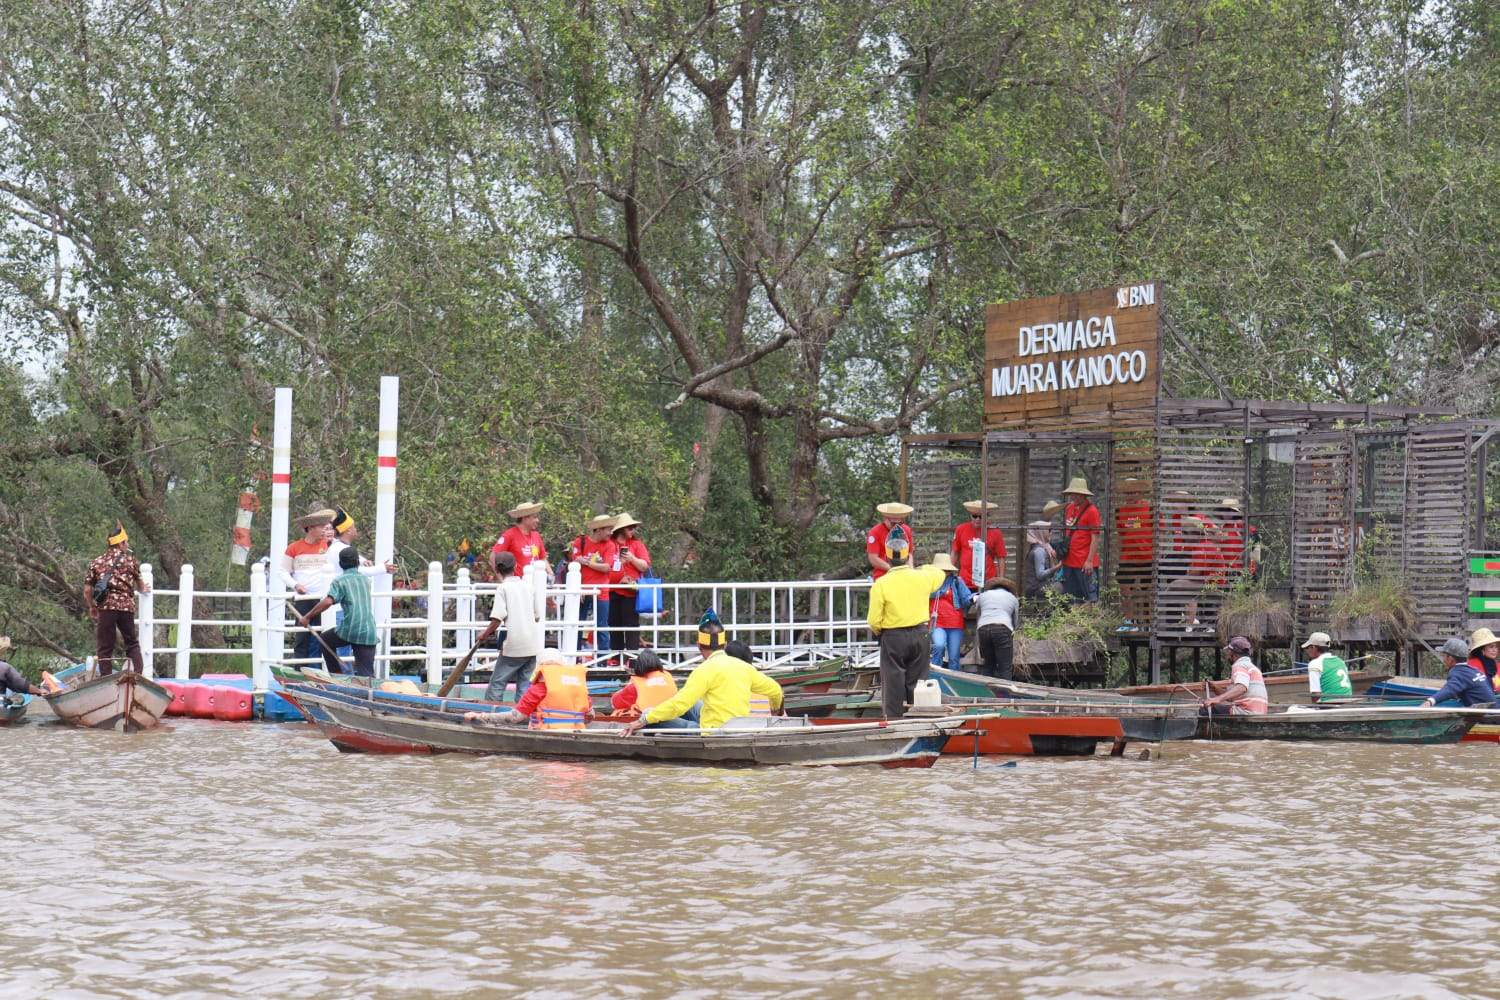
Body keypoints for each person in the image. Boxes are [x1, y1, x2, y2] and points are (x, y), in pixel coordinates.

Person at [622, 611, 783, 732]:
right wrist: (777, 711)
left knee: (654, 714)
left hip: (711, 731)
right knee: (691, 704)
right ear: (725, 644)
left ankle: (650, 716)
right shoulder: (745, 668)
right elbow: (776, 691)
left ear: (699, 645)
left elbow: (679, 705)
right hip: (738, 727)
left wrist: (645, 719)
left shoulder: (703, 671)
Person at [866, 531, 946, 719]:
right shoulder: (922, 577)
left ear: (886, 557)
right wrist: (915, 566)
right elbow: (939, 572)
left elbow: (874, 621)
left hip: (893, 636)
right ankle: (918, 718)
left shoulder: (881, 584)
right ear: (907, 556)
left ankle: (894, 721)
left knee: (893, 683)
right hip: (920, 633)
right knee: (918, 682)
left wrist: (881, 632)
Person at [463, 552, 543, 703]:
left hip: (514, 645)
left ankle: (490, 713)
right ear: (515, 566)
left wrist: (484, 634)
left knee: (497, 683)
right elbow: (537, 616)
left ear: (497, 570)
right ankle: (522, 716)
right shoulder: (528, 587)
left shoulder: (503, 589)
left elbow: (497, 619)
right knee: (525, 684)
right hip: (532, 645)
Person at [297, 547, 378, 676]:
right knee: (367, 675)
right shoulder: (366, 580)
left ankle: (336, 675)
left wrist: (307, 616)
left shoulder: (340, 581)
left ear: (340, 564)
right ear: (358, 562)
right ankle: (371, 692)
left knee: (324, 639)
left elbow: (328, 601)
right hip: (369, 631)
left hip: (350, 629)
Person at [466, 650, 596, 729]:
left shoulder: (537, 689)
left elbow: (515, 718)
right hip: (577, 731)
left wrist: (481, 716)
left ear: (539, 667)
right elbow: (590, 716)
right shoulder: (580, 688)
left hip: (546, 731)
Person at [83, 521, 150, 675]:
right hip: (127, 607)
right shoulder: (130, 561)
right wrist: (144, 588)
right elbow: (140, 585)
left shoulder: (96, 562)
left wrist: (92, 606)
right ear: (120, 544)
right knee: (132, 643)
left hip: (106, 608)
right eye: (126, 542)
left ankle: (107, 680)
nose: (127, 545)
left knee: (105, 647)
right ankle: (138, 676)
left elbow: (87, 590)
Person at [281, 507, 334, 665]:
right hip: (304, 598)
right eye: (321, 527)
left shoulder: (329, 545)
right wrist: (295, 585)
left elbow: (343, 554)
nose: (324, 530)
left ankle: (318, 670)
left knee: (323, 635)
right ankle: (299, 671)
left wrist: (363, 560)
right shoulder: (294, 548)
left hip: (324, 598)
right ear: (310, 528)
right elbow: (282, 572)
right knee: (302, 637)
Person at [570, 514, 618, 651]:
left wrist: (586, 562)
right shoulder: (580, 541)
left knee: (602, 625)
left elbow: (606, 567)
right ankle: (575, 656)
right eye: (608, 529)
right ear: (598, 530)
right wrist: (578, 587)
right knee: (578, 623)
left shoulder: (610, 545)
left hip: (601, 591)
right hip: (582, 590)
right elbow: (574, 563)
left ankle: (603, 659)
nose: (611, 533)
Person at [607, 512, 651, 654]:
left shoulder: (637, 545)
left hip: (631, 592)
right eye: (630, 527)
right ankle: (616, 657)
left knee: (631, 625)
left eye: (633, 527)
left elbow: (644, 566)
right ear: (621, 529)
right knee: (614, 625)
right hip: (612, 591)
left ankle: (632, 657)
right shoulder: (609, 544)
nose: (633, 530)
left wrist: (632, 558)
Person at [608, 649, 685, 720]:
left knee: (619, 711)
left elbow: (615, 703)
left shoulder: (636, 684)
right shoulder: (667, 675)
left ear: (639, 665)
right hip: (672, 714)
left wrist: (623, 690)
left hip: (650, 719)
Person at [927, 553, 972, 672]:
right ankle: (934, 676)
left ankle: (954, 682)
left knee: (954, 657)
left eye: (945, 569)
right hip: (937, 622)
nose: (943, 571)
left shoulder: (957, 581)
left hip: (955, 623)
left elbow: (967, 598)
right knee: (939, 646)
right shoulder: (929, 583)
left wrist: (974, 598)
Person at [1201, 636, 1269, 715]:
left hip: (1246, 712)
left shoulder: (1239, 665)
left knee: (1205, 710)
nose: (1227, 655)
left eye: (1228, 652)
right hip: (1259, 712)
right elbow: (1232, 696)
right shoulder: (1251, 667)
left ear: (1232, 653)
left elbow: (1241, 687)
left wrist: (1217, 699)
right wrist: (1215, 688)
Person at [1421, 637, 1497, 707]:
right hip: (1494, 710)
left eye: (1444, 656)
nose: (1443, 659)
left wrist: (1431, 701)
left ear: (1450, 659)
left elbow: (1450, 689)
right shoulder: (1474, 670)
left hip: (1487, 716)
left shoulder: (1458, 672)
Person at [1060, 478, 1101, 602]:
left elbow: (1095, 537)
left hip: (1084, 563)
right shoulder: (1069, 508)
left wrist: (1089, 561)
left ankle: (1091, 621)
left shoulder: (1092, 511)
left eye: (1077, 494)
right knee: (1071, 598)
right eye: (1073, 493)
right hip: (1069, 562)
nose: (1074, 496)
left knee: (1090, 598)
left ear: (1084, 495)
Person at [971, 577, 1020, 680]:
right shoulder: (1013, 598)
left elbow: (979, 614)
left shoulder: (982, 596)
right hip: (1002, 628)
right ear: (1008, 589)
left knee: (988, 665)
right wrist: (1013, 632)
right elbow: (1015, 620)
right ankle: (1005, 694)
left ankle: (985, 694)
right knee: (1005, 668)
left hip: (983, 629)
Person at [951, 500, 1006, 590]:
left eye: (981, 516)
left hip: (988, 581)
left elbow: (1001, 557)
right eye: (975, 516)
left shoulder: (995, 532)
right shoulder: (961, 529)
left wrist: (1001, 580)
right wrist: (949, 574)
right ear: (970, 515)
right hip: (965, 582)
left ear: (987, 517)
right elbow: (955, 552)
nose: (978, 519)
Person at [491, 501, 549, 579]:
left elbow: (543, 559)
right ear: (525, 518)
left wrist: (551, 574)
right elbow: (493, 557)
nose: (537, 520)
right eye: (534, 517)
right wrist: (503, 580)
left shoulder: (536, 535)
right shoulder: (509, 535)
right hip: (517, 584)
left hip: (536, 583)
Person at [866, 502, 916, 580]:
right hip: (883, 576)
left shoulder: (906, 529)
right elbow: (873, 558)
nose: (897, 526)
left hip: (904, 575)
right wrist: (893, 569)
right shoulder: (874, 532)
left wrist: (910, 570)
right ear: (885, 518)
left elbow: (909, 553)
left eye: (900, 523)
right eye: (893, 523)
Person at [1300, 631, 1352, 702]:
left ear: (1314, 647)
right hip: (1348, 702)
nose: (1307, 650)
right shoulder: (1340, 661)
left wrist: (1315, 709)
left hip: (1329, 704)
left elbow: (1315, 694)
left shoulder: (1314, 664)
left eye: (1308, 647)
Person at [1024, 520, 1060, 598]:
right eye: (1049, 531)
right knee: (1062, 587)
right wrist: (1058, 566)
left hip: (1039, 587)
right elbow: (1040, 575)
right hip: (1036, 589)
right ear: (1041, 532)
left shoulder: (1045, 547)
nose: (1051, 533)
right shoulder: (1039, 551)